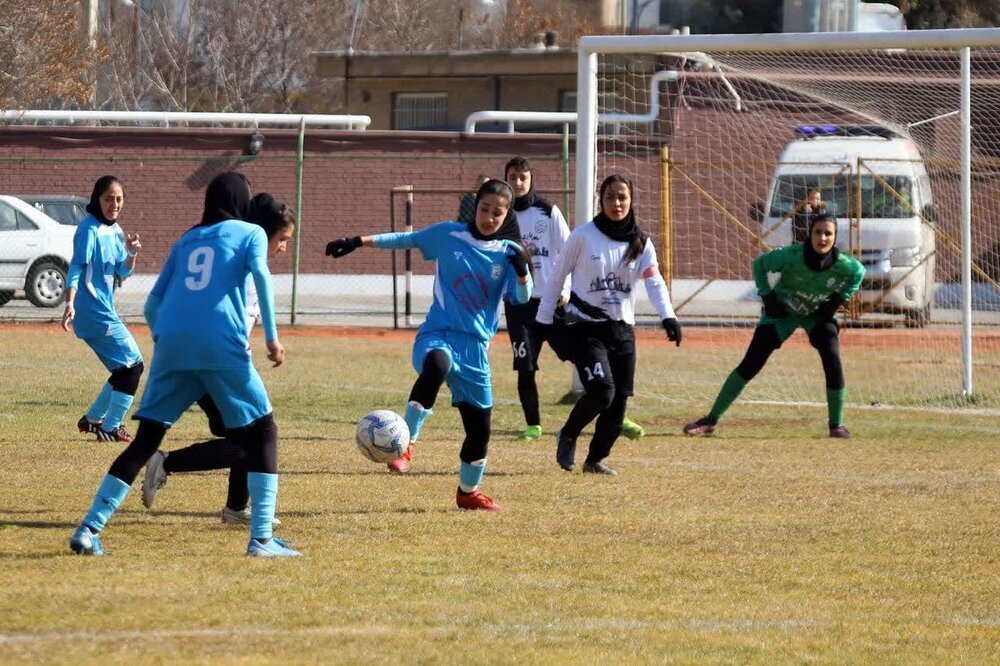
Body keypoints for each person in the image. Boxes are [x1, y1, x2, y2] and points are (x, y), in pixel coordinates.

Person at [69, 172, 299, 557]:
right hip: (220, 343)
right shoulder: (251, 233)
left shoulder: (186, 240)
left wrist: (167, 342)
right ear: (240, 202)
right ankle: (261, 539)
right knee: (262, 431)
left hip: (172, 346)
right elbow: (260, 274)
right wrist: (273, 338)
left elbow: (151, 306)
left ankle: (88, 530)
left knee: (145, 442)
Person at [325, 179, 532, 512]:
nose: (489, 217)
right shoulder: (449, 235)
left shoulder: (509, 253)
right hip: (438, 333)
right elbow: (406, 238)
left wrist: (522, 273)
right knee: (437, 365)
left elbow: (520, 299)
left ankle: (468, 492)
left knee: (479, 433)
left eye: (497, 213)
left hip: (476, 350)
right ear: (475, 206)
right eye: (484, 209)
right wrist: (356, 241)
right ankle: (408, 441)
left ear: (506, 215)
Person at [140, 193, 295, 525]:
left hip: (200, 357)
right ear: (264, 232)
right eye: (282, 239)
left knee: (247, 438)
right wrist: (269, 344)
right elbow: (236, 325)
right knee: (254, 438)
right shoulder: (249, 266)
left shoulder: (229, 253)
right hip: (217, 364)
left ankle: (236, 508)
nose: (284, 247)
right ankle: (165, 462)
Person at [536, 174, 681, 476]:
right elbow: (556, 276)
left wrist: (668, 315)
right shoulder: (583, 236)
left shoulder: (641, 242)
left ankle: (595, 459)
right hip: (585, 326)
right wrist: (543, 319)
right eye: (611, 197)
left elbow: (654, 282)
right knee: (603, 391)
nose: (617, 203)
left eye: (622, 197)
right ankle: (568, 434)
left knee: (618, 404)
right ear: (601, 201)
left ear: (631, 201)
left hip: (622, 330)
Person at [683, 212, 865, 439]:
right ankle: (710, 419)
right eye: (818, 232)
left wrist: (837, 300)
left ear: (835, 237)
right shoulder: (790, 256)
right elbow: (759, 264)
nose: (823, 238)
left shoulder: (844, 264)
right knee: (751, 363)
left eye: (828, 233)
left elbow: (859, 272)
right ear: (810, 234)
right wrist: (768, 297)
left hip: (816, 315)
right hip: (783, 313)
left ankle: (836, 425)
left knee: (832, 356)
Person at [61, 176, 144, 443]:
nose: (114, 204)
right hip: (92, 310)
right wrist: (70, 301)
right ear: (97, 199)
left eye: (119, 199)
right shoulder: (88, 229)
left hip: (101, 309)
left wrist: (131, 253)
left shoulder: (115, 230)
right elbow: (76, 267)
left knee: (124, 369)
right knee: (133, 367)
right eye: (108, 199)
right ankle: (110, 426)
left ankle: (93, 420)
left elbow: (122, 270)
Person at [501, 156, 571, 441]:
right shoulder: (500, 215)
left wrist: (565, 291)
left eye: (523, 177)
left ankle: (611, 406)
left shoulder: (548, 211)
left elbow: (569, 252)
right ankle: (534, 426)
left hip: (551, 302)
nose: (518, 182)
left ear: (531, 179)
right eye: (513, 177)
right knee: (525, 367)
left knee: (581, 355)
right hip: (518, 305)